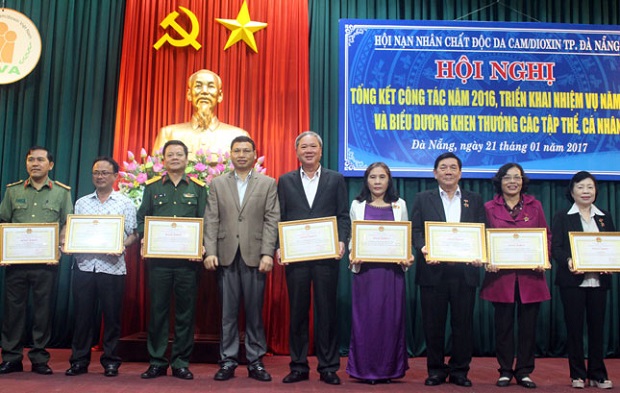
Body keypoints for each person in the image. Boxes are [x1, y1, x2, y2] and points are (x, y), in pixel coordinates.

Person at [204, 136, 280, 382]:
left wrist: (268, 252)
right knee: (228, 313)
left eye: (247, 150)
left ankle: (255, 361)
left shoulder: (268, 183)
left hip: (255, 256)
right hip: (225, 255)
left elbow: (272, 219)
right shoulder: (217, 184)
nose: (242, 154)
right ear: (231, 154)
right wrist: (210, 250)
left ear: (255, 154)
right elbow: (211, 219)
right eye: (237, 150)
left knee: (254, 312)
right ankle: (228, 360)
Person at [277, 131, 351, 385]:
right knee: (297, 312)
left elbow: (343, 215)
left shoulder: (335, 179)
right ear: (297, 152)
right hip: (296, 257)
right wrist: (280, 246)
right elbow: (280, 218)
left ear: (321, 151)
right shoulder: (285, 181)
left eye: (313, 147)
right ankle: (298, 366)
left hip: (326, 257)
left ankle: (328, 367)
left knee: (327, 312)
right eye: (303, 147)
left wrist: (342, 240)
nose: (308, 151)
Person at [411, 152, 485, 388]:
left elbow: (481, 232)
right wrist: (424, 249)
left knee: (463, 325)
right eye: (443, 168)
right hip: (433, 271)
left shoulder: (474, 199)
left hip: (465, 273)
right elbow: (415, 231)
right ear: (435, 173)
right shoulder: (423, 198)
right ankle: (435, 370)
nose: (448, 172)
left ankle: (460, 371)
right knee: (433, 325)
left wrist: (479, 254)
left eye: (453, 167)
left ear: (460, 173)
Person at [136, 140, 207, 380]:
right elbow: (141, 219)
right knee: (158, 312)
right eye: (170, 155)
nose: (175, 158)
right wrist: (146, 238)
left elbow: (205, 221)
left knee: (185, 314)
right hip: (159, 264)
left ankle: (180, 362)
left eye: (179, 154)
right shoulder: (152, 187)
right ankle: (157, 361)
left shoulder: (198, 188)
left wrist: (202, 244)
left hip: (188, 263)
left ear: (187, 160)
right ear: (163, 160)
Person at [0, 146, 73, 375]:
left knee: (43, 312)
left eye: (40, 160)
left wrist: (60, 248)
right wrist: (4, 251)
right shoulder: (12, 191)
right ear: (26, 164)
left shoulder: (61, 192)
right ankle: (12, 357)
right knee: (13, 312)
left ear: (50, 165)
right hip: (16, 264)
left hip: (46, 264)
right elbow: (3, 222)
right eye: (31, 159)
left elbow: (66, 223)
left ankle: (40, 358)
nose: (35, 163)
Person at [64, 156, 138, 377]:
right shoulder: (82, 202)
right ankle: (79, 361)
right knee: (82, 316)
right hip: (84, 266)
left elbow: (133, 234)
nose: (100, 176)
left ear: (115, 176)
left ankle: (111, 361)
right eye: (96, 172)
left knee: (112, 317)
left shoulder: (125, 202)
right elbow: (75, 232)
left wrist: (120, 245)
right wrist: (69, 243)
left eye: (105, 173)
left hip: (113, 267)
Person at [480, 163, 551, 389]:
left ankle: (524, 371)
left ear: (523, 181)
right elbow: (482, 238)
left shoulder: (535, 205)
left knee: (528, 327)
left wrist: (543, 256)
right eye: (507, 177)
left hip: (531, 277)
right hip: (501, 278)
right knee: (503, 327)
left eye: (517, 177)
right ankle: (505, 370)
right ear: (499, 181)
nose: (512, 181)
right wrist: (486, 259)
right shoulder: (488, 207)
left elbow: (545, 236)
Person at [346, 162, 413, 384]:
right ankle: (364, 370)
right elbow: (353, 238)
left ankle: (389, 370)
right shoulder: (357, 205)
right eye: (372, 177)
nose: (377, 182)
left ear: (389, 180)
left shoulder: (399, 205)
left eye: (381, 177)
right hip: (365, 273)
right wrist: (353, 253)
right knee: (365, 321)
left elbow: (404, 237)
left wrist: (407, 255)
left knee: (390, 321)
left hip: (391, 274)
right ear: (366, 180)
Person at [551, 171, 614, 389]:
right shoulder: (562, 216)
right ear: (572, 191)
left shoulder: (604, 217)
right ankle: (577, 374)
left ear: (596, 191)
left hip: (599, 281)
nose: (586, 192)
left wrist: (611, 262)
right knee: (575, 329)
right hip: (572, 282)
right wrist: (568, 260)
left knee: (598, 329)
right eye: (580, 187)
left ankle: (598, 373)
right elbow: (555, 248)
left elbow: (612, 246)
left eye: (590, 187)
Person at [152, 69, 249, 159]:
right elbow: (157, 172)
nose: (204, 91)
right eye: (198, 86)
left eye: (211, 86)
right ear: (189, 94)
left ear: (220, 96)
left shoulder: (238, 136)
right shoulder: (169, 134)